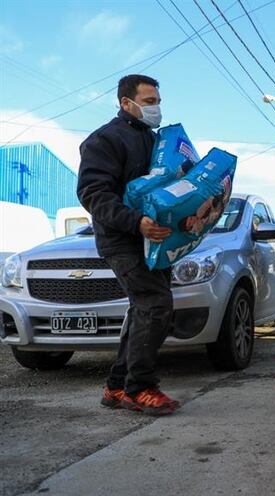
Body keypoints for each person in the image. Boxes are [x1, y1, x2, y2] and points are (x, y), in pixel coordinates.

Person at [77, 74, 179, 416]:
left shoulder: (154, 140)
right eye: (149, 102)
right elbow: (93, 193)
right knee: (155, 304)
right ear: (126, 102)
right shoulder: (105, 139)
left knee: (142, 310)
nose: (156, 108)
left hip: (155, 241)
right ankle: (140, 389)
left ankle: (117, 386)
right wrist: (135, 221)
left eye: (158, 102)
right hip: (123, 240)